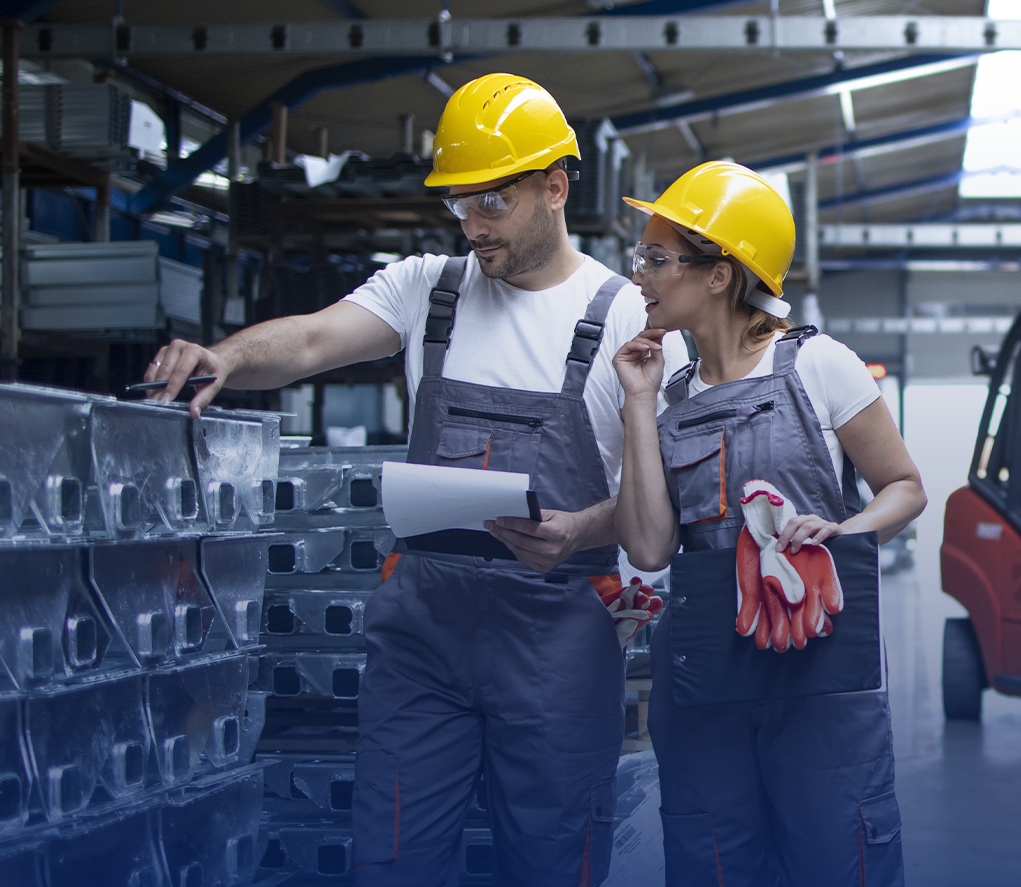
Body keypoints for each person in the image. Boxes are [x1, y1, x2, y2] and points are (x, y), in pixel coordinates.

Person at [145, 73, 686, 885]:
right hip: (422, 638)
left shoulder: (623, 319)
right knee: (393, 855)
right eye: (456, 205)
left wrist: (581, 527)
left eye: (490, 204)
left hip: (556, 640)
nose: (470, 226)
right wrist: (225, 356)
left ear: (554, 188)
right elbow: (309, 340)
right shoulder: (426, 288)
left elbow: (657, 510)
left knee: (551, 860)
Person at [611, 161, 926, 886]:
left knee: (835, 853)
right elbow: (651, 544)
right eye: (640, 259)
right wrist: (635, 401)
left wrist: (843, 532)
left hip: (817, 671)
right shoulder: (664, 396)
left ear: (719, 274)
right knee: (713, 858)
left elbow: (903, 487)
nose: (639, 277)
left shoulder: (820, 365)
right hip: (704, 677)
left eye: (656, 260)